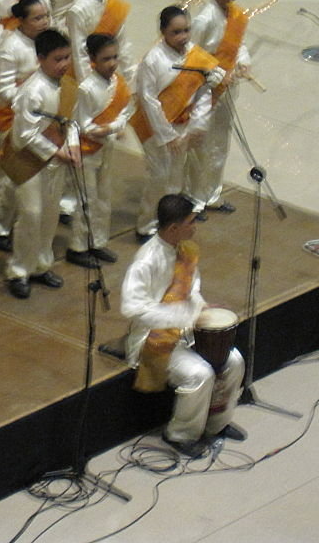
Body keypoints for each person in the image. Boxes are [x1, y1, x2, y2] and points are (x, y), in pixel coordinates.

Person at [120, 193, 246, 458]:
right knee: (200, 374)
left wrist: (201, 308)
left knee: (234, 361)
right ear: (174, 228)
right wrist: (183, 317)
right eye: (191, 222)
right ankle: (180, 434)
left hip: (185, 330)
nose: (195, 226)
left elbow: (192, 289)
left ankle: (217, 424)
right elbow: (133, 308)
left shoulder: (185, 250)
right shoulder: (146, 260)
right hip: (152, 338)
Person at [0, 29, 79, 299]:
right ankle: (19, 270)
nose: (64, 64)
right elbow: (24, 135)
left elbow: (71, 122)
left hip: (57, 160)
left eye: (67, 57)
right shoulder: (31, 91)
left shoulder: (68, 86)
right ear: (41, 58)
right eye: (58, 59)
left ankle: (41, 265)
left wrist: (72, 146)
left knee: (50, 215)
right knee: (31, 215)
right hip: (30, 162)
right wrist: (56, 152)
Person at [130, 7, 222, 239]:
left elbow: (203, 93)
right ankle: (146, 225)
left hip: (183, 126)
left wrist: (195, 127)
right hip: (155, 128)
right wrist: (167, 135)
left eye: (186, 30)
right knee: (159, 177)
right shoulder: (153, 59)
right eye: (176, 32)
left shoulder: (196, 56)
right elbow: (148, 100)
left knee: (176, 178)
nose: (183, 37)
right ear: (163, 32)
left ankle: (170, 223)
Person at [0, 0, 50, 252]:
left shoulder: (45, 41)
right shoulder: (10, 47)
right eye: (37, 18)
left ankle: (16, 224)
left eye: (46, 16)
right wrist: (30, 96)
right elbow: (3, 90)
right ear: (21, 20)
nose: (44, 22)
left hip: (40, 118)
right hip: (12, 117)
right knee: (11, 178)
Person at [187, 0, 252, 216]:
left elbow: (239, 44)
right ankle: (194, 197)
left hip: (227, 87)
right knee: (201, 144)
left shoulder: (235, 14)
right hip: (205, 89)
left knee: (219, 144)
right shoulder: (204, 19)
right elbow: (193, 57)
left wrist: (243, 61)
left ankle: (212, 194)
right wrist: (215, 75)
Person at [65, 34, 134, 267]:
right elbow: (80, 124)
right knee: (87, 198)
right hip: (87, 150)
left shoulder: (118, 83)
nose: (112, 63)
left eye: (115, 57)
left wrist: (112, 127)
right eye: (106, 59)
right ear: (93, 60)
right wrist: (107, 128)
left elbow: (125, 111)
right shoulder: (86, 88)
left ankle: (97, 241)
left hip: (106, 145)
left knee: (104, 196)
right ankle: (78, 246)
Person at [63, 0, 133, 83]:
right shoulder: (78, 10)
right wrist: (87, 85)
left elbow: (122, 42)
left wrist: (129, 74)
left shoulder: (113, 2)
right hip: (88, 74)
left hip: (110, 68)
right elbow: (80, 53)